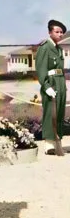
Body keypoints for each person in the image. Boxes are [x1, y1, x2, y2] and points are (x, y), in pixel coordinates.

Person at [36, 19, 67, 155]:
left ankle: (57, 140)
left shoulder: (59, 49)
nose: (60, 34)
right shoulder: (44, 47)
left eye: (61, 32)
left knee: (59, 113)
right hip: (51, 83)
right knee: (50, 113)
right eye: (57, 31)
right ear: (50, 32)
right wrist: (46, 86)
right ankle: (49, 144)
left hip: (60, 82)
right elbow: (41, 68)